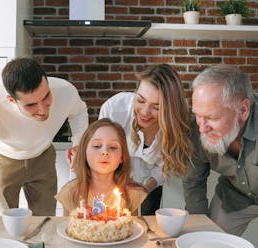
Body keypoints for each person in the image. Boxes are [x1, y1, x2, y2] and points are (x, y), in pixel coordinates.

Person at [0, 57, 88, 216]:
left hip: (43, 157)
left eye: (46, 97)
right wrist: (0, 212)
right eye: (31, 105)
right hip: (4, 160)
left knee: (45, 217)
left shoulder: (65, 90)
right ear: (11, 100)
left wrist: (78, 144)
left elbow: (79, 112)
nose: (42, 110)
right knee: (4, 220)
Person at [99, 64, 193, 215]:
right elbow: (101, 154)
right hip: (114, 175)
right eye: (141, 100)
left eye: (156, 107)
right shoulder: (115, 109)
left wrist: (145, 188)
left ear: (169, 109)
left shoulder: (175, 128)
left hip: (150, 181)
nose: (144, 112)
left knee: (149, 222)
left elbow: (164, 167)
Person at [182, 64, 258, 236]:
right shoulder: (196, 129)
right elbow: (194, 182)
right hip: (235, 196)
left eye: (211, 117)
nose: (202, 129)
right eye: (198, 115)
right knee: (209, 243)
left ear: (243, 110)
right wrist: (198, 227)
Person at [55, 118, 147, 215]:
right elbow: (66, 227)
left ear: (122, 157)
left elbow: (134, 228)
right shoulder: (71, 192)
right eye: (97, 146)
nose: (105, 152)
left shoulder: (132, 193)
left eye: (113, 147)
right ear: (84, 153)